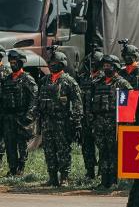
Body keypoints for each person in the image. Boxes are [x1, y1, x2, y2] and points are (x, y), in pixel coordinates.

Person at [33, 52, 83, 186]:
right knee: (49, 150)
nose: (50, 66)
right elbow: (37, 100)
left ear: (61, 65)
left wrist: (77, 122)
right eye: (49, 63)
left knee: (63, 150)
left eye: (54, 64)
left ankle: (64, 178)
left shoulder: (69, 81)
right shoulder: (44, 81)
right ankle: (52, 177)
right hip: (46, 121)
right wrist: (36, 115)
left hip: (62, 121)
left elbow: (77, 103)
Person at [92, 55, 131, 188]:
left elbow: (127, 105)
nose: (105, 67)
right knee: (102, 151)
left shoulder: (122, 83)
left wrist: (124, 125)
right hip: (100, 123)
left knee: (113, 151)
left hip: (114, 124)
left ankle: (113, 181)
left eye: (108, 65)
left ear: (115, 67)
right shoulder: (98, 83)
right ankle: (104, 180)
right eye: (104, 65)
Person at [1, 50, 37, 176]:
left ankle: (21, 168)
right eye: (10, 62)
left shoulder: (27, 79)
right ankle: (12, 168)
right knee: (10, 144)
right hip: (8, 117)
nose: (12, 65)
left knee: (22, 144)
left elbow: (34, 98)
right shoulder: (6, 79)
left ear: (21, 63)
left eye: (15, 62)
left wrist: (29, 115)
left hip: (21, 116)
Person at [78, 50, 103, 180]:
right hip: (85, 119)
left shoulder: (105, 79)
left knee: (102, 147)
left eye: (95, 63)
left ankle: (102, 172)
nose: (92, 65)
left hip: (99, 119)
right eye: (90, 62)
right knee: (87, 146)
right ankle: (89, 171)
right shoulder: (83, 78)